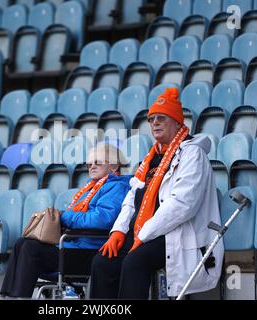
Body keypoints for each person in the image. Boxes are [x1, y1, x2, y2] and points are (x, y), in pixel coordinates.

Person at [90, 88, 224, 299]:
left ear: (177, 123)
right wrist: (118, 231)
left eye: (161, 118)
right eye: (151, 119)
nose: (155, 123)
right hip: (143, 232)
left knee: (135, 261)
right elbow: (131, 200)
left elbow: (182, 205)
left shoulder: (192, 154)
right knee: (103, 262)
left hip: (175, 233)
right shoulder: (150, 158)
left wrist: (142, 235)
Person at [0, 143, 131, 298]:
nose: (92, 167)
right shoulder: (91, 187)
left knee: (30, 248)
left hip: (88, 252)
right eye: (89, 164)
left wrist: (64, 217)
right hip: (72, 245)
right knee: (21, 242)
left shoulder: (117, 187)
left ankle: (20, 296)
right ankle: (8, 296)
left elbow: (101, 219)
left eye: (98, 162)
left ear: (114, 166)